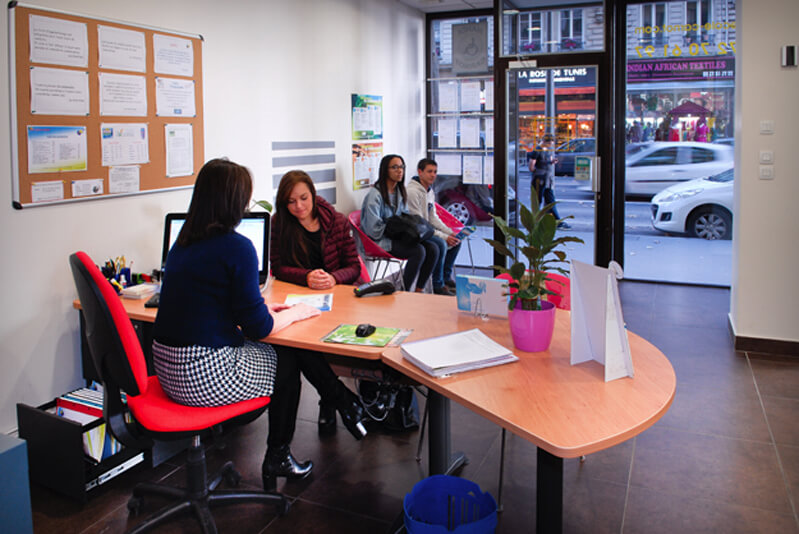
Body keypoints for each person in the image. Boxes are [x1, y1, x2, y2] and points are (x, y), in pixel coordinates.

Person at [151, 158, 322, 492]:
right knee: (286, 358)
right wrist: (296, 312)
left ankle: (340, 404)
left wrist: (261, 308)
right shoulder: (237, 246)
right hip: (201, 376)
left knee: (279, 351)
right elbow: (260, 329)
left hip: (168, 371)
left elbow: (212, 303)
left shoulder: (182, 242)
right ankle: (278, 455)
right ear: (233, 201)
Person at [270, 170, 368, 439]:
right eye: (291, 202)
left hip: (337, 299)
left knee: (303, 349)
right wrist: (306, 276)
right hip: (297, 299)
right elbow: (277, 267)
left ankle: (333, 400)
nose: (298, 207)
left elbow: (353, 266)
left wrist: (332, 278)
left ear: (313, 195)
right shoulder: (279, 223)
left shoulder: (335, 221)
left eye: (303, 198)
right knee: (297, 344)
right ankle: (336, 399)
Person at [361, 154, 439, 292]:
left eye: (402, 167)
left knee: (433, 248)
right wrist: (397, 229)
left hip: (397, 236)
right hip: (381, 240)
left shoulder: (399, 191)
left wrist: (405, 230)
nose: (400, 171)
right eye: (395, 167)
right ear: (385, 170)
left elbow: (405, 216)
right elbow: (373, 229)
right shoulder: (375, 195)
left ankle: (419, 290)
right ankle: (404, 291)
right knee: (419, 251)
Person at [406, 158, 461, 295]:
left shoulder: (429, 191)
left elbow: (433, 218)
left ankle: (445, 278)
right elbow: (420, 223)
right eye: (429, 171)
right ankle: (437, 285)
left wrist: (449, 233)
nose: (433, 175)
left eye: (435, 172)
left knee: (456, 242)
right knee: (441, 243)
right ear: (420, 172)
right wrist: (443, 237)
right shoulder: (412, 192)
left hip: (426, 230)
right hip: (415, 232)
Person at [527, 135, 569, 229]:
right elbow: (531, 166)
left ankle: (556, 221)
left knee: (550, 201)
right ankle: (536, 222)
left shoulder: (547, 150)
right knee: (538, 201)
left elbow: (546, 162)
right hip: (540, 179)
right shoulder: (537, 150)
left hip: (547, 180)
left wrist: (551, 162)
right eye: (550, 143)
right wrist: (538, 170)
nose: (551, 145)